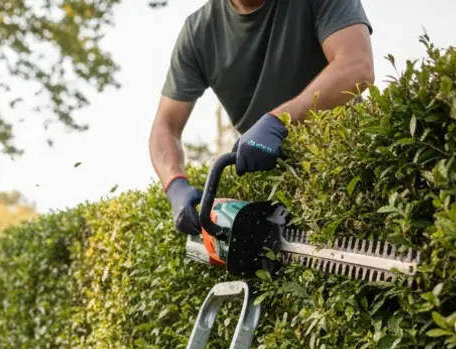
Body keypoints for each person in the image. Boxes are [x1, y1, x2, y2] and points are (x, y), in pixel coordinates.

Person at [149, 0, 376, 236]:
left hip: (345, 166)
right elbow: (165, 126)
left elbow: (357, 66)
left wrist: (279, 121)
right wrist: (175, 184)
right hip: (270, 181)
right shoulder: (198, 31)